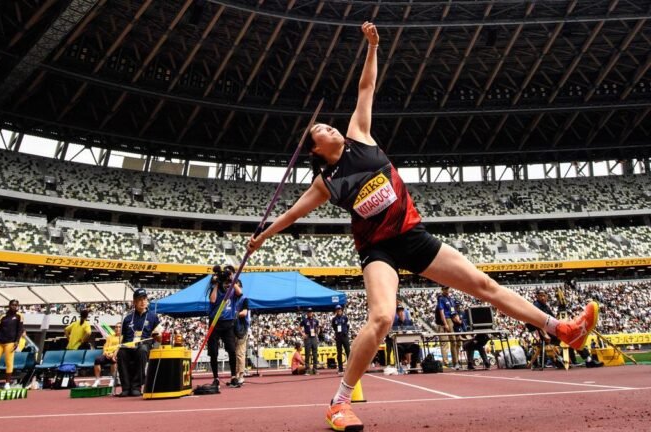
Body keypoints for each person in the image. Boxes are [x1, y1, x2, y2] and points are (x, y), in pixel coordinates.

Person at [246, 21, 599, 432]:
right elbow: (290, 215)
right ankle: (339, 402)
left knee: (484, 285)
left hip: (413, 236)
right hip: (378, 250)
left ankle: (563, 330)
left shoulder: (360, 135)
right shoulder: (325, 183)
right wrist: (260, 239)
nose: (329, 127)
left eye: (327, 124)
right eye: (320, 131)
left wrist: (373, 47)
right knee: (382, 317)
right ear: (316, 151)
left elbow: (365, 89)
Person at [525, 290, 603, 368]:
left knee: (574, 336)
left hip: (553, 331)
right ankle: (585, 360)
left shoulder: (546, 307)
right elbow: (537, 322)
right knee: (572, 336)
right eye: (540, 296)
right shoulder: (536, 306)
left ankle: (564, 360)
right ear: (537, 297)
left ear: (547, 296)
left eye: (544, 296)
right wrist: (544, 334)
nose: (542, 298)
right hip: (545, 334)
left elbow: (554, 320)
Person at [117, 288, 160, 397]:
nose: (142, 302)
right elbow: (122, 338)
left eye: (144, 299)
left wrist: (157, 336)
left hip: (144, 345)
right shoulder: (127, 319)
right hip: (128, 346)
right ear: (134, 302)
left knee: (142, 350)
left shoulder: (153, 317)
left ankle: (136, 386)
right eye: (139, 299)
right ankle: (126, 387)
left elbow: (158, 335)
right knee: (121, 353)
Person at [207, 265, 241, 388]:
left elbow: (240, 292)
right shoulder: (215, 288)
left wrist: (232, 280)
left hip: (228, 323)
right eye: (225, 282)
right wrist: (216, 284)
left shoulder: (232, 290)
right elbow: (212, 300)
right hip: (215, 323)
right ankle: (215, 377)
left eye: (228, 283)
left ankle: (233, 376)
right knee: (213, 352)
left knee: (232, 350)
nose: (227, 284)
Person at [0, 299, 24, 390]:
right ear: (9, 305)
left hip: (10, 342)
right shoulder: (3, 316)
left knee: (9, 362)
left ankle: (7, 383)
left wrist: (17, 341)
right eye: (13, 305)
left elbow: (20, 330)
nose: (14, 306)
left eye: (16, 305)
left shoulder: (19, 316)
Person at [385, 306, 420, 373]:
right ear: (397, 313)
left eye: (402, 311)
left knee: (417, 347)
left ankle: (413, 366)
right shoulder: (395, 323)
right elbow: (391, 334)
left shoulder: (409, 322)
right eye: (399, 312)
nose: (401, 313)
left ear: (404, 312)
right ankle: (399, 366)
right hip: (400, 345)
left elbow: (414, 331)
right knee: (396, 348)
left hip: (409, 344)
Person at [435, 286, 461, 370]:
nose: (447, 290)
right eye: (445, 289)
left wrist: (457, 317)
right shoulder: (441, 299)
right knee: (447, 342)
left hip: (453, 320)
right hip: (447, 320)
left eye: (448, 289)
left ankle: (456, 361)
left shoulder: (450, 298)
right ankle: (448, 362)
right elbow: (441, 312)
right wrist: (445, 323)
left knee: (455, 341)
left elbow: (454, 310)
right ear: (442, 290)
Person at [232, 289, 250, 387]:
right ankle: (236, 375)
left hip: (241, 330)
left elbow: (244, 313)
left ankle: (241, 375)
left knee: (240, 353)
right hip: (233, 329)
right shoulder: (232, 299)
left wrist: (234, 314)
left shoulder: (244, 299)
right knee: (234, 354)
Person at [299, 308, 320, 375]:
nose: (309, 313)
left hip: (314, 337)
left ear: (312, 313)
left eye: (310, 312)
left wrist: (317, 333)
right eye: (308, 312)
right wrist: (303, 334)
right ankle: (307, 370)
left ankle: (315, 369)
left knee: (315, 354)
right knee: (307, 354)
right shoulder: (304, 320)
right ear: (307, 313)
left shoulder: (315, 320)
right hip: (307, 337)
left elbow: (318, 327)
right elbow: (299, 327)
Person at [331, 305, 351, 375]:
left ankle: (350, 368)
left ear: (341, 310)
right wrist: (338, 332)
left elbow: (347, 326)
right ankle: (340, 369)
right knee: (339, 353)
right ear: (336, 311)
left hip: (345, 336)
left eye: (340, 309)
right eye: (337, 309)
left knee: (348, 351)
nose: (339, 310)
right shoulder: (334, 319)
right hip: (338, 337)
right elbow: (334, 327)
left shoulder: (345, 317)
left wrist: (345, 332)